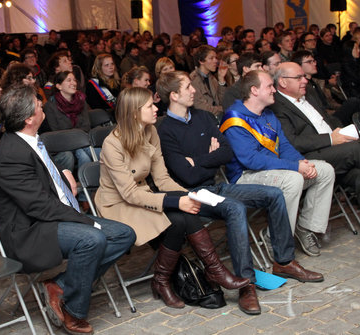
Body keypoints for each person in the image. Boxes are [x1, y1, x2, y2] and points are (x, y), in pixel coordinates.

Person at [156, 71, 323, 314]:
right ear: (173, 95)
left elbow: (227, 153)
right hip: (193, 193)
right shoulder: (165, 130)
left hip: (217, 187)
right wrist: (210, 157)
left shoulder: (202, 117)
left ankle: (284, 262)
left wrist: (199, 159)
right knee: (235, 208)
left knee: (273, 194)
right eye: (188, 87)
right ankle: (247, 285)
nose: (193, 90)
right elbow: (187, 176)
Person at [0, 85, 135, 334]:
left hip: (55, 217)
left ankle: (60, 285)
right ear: (28, 118)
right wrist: (86, 221)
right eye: (37, 103)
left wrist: (63, 180)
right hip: (31, 231)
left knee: (124, 234)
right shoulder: (10, 155)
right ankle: (74, 310)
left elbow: (45, 189)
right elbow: (38, 206)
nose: (42, 104)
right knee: (92, 239)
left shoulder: (33, 141)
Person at [95, 87, 249, 309]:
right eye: (150, 106)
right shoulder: (113, 144)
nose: (156, 108)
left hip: (143, 195)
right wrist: (177, 201)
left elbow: (162, 179)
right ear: (134, 112)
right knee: (176, 219)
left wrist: (189, 195)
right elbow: (128, 193)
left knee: (182, 215)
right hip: (118, 203)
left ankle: (192, 275)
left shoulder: (150, 132)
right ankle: (175, 279)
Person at [271, 62, 360, 261]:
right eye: (299, 77)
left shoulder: (308, 96)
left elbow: (328, 121)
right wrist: (331, 139)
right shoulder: (277, 106)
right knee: (355, 151)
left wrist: (340, 131)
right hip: (310, 159)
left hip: (335, 153)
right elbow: (293, 142)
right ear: (283, 82)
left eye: (304, 76)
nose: (305, 80)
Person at [221, 70, 335, 257]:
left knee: (324, 170)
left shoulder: (268, 114)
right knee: (293, 180)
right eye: (269, 86)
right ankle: (277, 237)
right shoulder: (234, 119)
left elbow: (284, 146)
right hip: (244, 178)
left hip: (274, 171)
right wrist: (294, 167)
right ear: (254, 90)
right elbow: (252, 160)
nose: (274, 90)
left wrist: (301, 161)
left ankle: (306, 227)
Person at [43, 70, 93, 172]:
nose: (73, 83)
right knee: (83, 156)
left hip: (81, 141)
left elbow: (87, 126)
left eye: (74, 80)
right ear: (59, 86)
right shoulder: (50, 106)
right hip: (63, 144)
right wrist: (75, 134)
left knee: (98, 152)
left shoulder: (81, 101)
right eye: (69, 80)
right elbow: (56, 131)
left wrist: (74, 134)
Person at [190, 45, 228, 118]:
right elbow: (200, 107)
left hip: (216, 117)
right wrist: (222, 109)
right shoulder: (193, 79)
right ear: (201, 61)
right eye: (211, 58)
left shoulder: (212, 78)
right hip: (204, 119)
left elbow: (222, 101)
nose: (216, 61)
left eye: (216, 58)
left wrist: (221, 79)